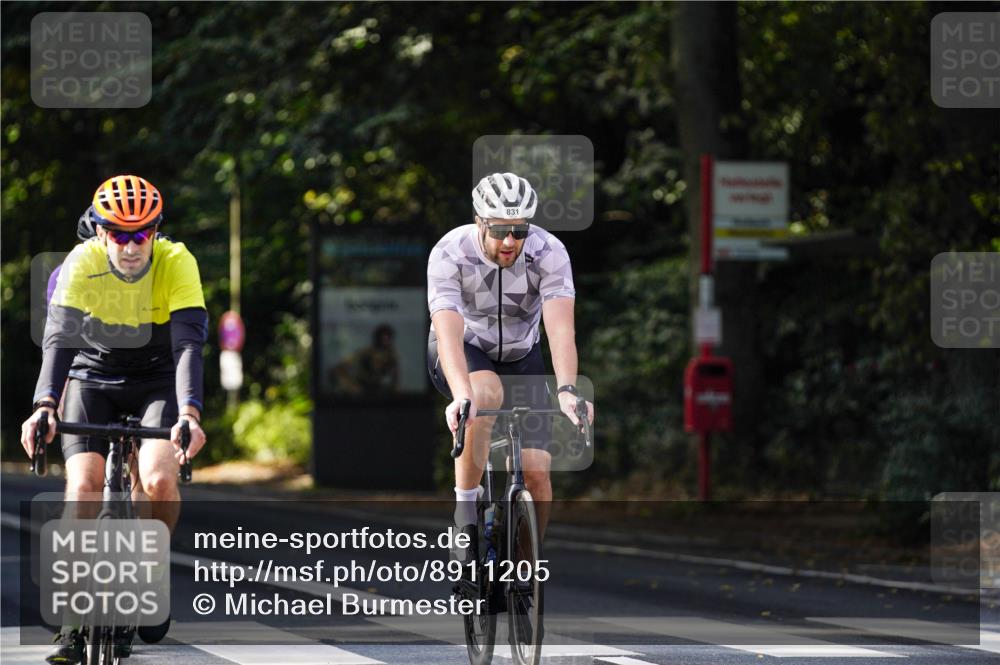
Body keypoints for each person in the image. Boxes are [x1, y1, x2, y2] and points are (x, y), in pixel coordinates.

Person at [20, 175, 209, 664]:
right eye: (119, 235)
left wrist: (189, 412)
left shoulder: (177, 261)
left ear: (156, 231)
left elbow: (189, 343)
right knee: (84, 484)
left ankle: (149, 569)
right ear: (101, 233)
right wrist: (44, 404)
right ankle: (71, 620)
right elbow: (59, 341)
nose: (130, 247)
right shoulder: (79, 264)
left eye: (141, 234)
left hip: (159, 377)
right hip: (93, 375)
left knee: (158, 477)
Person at [426, 172, 594, 562]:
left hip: (522, 355)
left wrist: (568, 390)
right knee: (484, 396)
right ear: (479, 221)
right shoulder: (450, 251)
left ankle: (524, 564)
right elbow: (447, 330)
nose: (509, 241)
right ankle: (465, 513)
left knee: (537, 474)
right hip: (465, 348)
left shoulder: (548, 252)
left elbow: (560, 329)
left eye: (519, 230)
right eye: (500, 230)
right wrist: (460, 395)